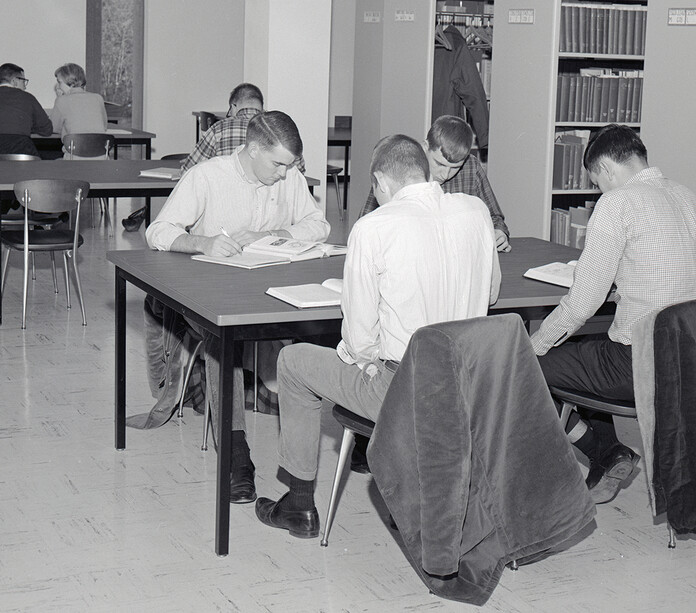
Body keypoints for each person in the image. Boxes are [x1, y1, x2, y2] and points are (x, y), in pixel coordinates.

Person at [254, 134, 501, 539]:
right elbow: (491, 295)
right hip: (467, 385)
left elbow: (359, 337)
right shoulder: (475, 211)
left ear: (381, 182)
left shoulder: (374, 227)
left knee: (293, 362)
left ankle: (298, 505)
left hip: (403, 388)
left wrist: (363, 362)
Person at [530, 124, 696, 504]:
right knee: (590, 350)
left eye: (597, 183)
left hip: (639, 364)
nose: (599, 192)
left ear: (605, 169)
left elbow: (582, 304)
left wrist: (532, 345)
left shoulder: (616, 204)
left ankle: (603, 451)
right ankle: (608, 452)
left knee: (526, 365)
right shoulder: (692, 199)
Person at [139, 111, 329, 505]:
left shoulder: (288, 176)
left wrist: (274, 233)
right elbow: (158, 231)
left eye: (290, 165)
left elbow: (318, 225)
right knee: (218, 335)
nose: (286, 173)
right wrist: (201, 243)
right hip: (207, 291)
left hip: (266, 290)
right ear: (253, 149)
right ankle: (235, 451)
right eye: (279, 164)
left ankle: (354, 442)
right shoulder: (207, 176)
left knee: (328, 325)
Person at [122, 83, 305, 232]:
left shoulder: (219, 129)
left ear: (233, 107)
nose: (283, 172)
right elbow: (300, 170)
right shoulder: (279, 139)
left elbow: (189, 168)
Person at [359, 115, 511, 252]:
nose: (445, 175)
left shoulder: (472, 166)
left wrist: (499, 232)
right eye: (439, 164)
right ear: (425, 147)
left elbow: (495, 216)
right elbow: (365, 222)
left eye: (455, 168)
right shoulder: (401, 168)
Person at [48, 63, 107, 135]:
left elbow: (53, 128)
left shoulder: (61, 100)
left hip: (74, 145)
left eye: (60, 82)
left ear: (71, 83)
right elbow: (104, 127)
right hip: (99, 145)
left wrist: (59, 98)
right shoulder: (98, 98)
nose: (58, 87)